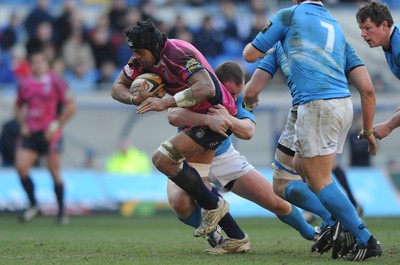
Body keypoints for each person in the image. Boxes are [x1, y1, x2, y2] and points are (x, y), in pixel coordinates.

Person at [243, 0, 381, 261]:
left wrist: (248, 103)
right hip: (338, 104)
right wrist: (369, 129)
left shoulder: (289, 18)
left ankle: (364, 238)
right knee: (286, 178)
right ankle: (333, 218)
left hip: (316, 105)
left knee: (318, 179)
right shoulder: (335, 28)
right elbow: (367, 88)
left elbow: (249, 57)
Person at [111, 19, 247, 250]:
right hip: (195, 120)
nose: (137, 57)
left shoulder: (178, 53)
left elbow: (207, 88)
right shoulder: (140, 59)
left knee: (162, 159)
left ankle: (214, 205)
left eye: (140, 52)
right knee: (188, 193)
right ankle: (236, 237)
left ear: (154, 46)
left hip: (216, 117)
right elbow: (117, 88)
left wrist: (165, 103)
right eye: (134, 52)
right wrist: (135, 98)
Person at [167, 61, 319, 254]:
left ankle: (311, 233)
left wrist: (227, 118)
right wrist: (207, 120)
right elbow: (173, 114)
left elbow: (248, 131)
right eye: (230, 93)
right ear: (215, 84)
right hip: (189, 158)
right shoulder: (199, 89)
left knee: (277, 202)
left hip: (224, 158)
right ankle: (214, 233)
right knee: (180, 204)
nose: (234, 98)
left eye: (237, 93)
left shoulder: (239, 99)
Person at [15, 49, 76, 225]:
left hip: (51, 133)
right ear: (30, 65)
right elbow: (18, 107)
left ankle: (61, 212)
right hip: (31, 132)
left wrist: (56, 125)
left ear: (46, 64)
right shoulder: (25, 83)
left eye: (40, 62)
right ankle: (34, 204)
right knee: (21, 167)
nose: (37, 65)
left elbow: (71, 107)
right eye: (34, 62)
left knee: (54, 172)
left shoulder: (57, 82)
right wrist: (23, 124)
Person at [356, 1, 400, 140]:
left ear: (384, 25)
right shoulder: (391, 42)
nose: (363, 34)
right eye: (361, 29)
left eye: (368, 28)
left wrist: (389, 125)